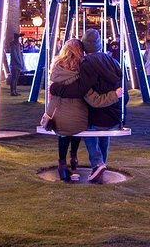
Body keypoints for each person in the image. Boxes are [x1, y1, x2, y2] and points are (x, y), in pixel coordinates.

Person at [43, 38, 123, 182]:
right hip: (76, 122)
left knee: (64, 133)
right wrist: (114, 95)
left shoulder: (55, 70)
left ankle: (62, 163)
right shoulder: (80, 74)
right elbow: (95, 100)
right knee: (85, 127)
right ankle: (81, 159)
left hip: (54, 118)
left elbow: (54, 91)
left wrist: (55, 90)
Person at [80, 28, 124, 183]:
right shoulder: (114, 61)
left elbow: (89, 95)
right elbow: (122, 88)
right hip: (113, 114)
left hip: (96, 113)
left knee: (85, 127)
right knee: (104, 135)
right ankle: (101, 165)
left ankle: (98, 163)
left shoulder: (86, 65)